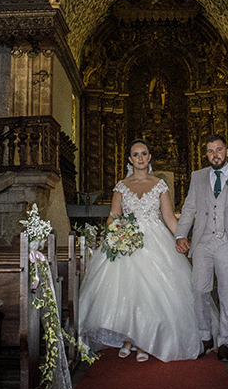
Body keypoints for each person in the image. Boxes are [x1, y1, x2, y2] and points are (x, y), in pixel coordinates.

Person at [77, 139, 202, 362]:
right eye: (136, 155)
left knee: (152, 293)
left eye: (144, 154)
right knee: (129, 292)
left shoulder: (160, 185)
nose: (140, 158)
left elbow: (169, 218)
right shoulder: (121, 186)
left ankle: (146, 341)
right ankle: (129, 339)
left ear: (149, 157)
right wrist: (119, 235)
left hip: (156, 241)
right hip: (128, 241)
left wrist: (183, 237)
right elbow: (113, 218)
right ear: (130, 159)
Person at [175, 133, 228, 363]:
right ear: (206, 154)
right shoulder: (197, 177)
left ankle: (224, 341)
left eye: (218, 150)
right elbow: (189, 207)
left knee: (227, 293)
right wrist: (181, 234)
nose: (215, 154)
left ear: (227, 152)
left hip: (227, 243)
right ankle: (205, 335)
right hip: (202, 241)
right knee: (199, 290)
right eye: (210, 151)